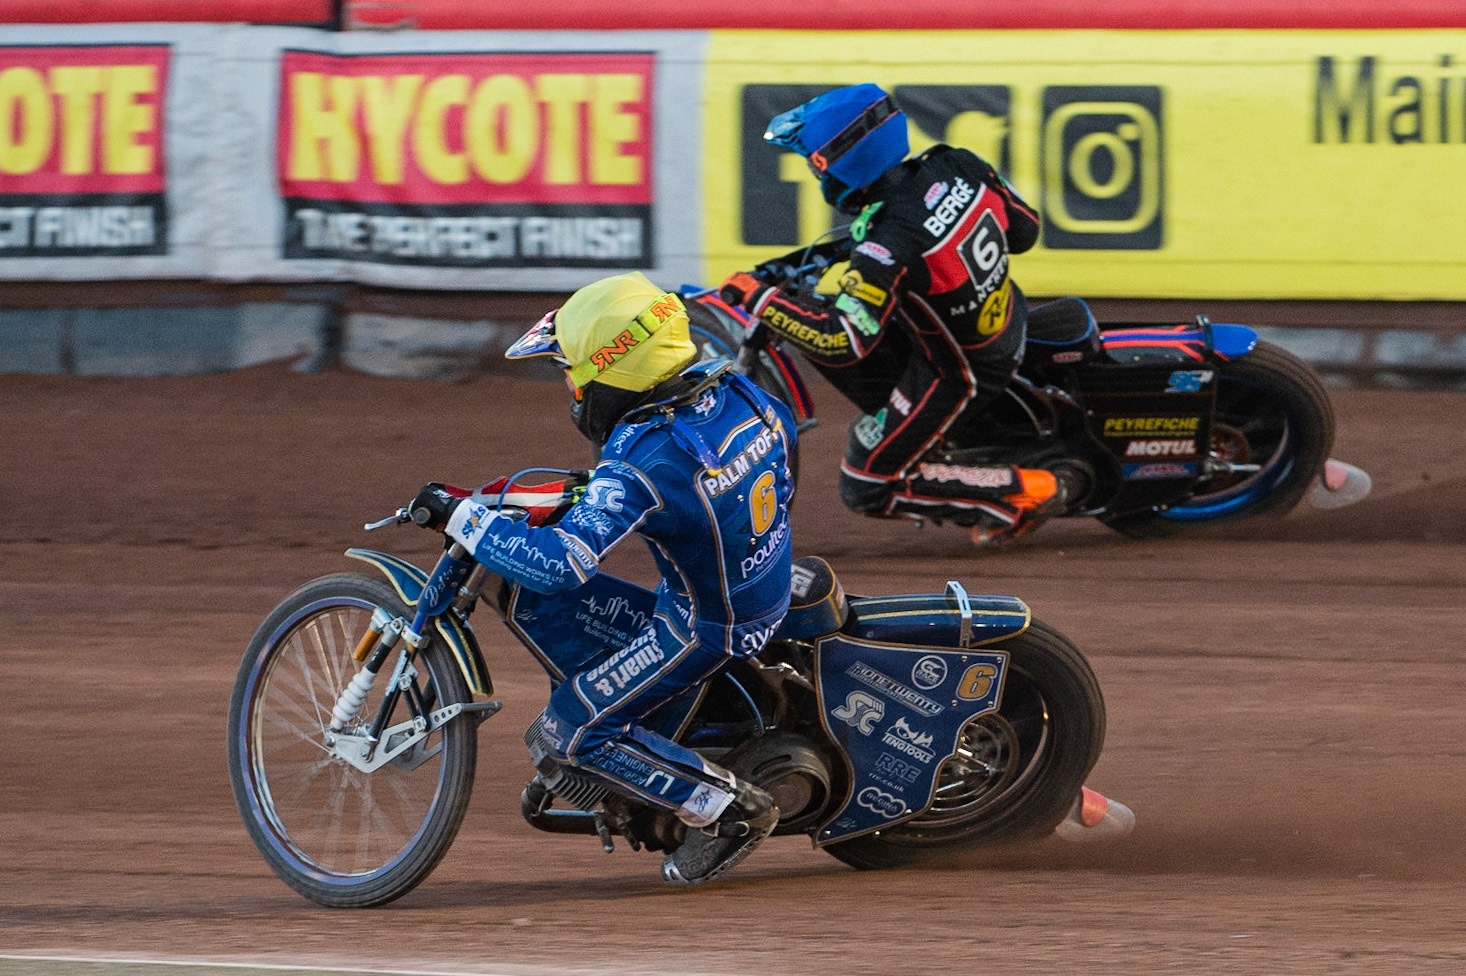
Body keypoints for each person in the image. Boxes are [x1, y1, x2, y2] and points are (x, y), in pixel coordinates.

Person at [407, 271, 794, 886]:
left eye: (573, 370)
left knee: (571, 730)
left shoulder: (644, 458)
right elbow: (772, 452)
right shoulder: (740, 394)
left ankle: (728, 812)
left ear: (613, 372)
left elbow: (560, 565)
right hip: (765, 575)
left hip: (706, 625)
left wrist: (462, 516)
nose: (570, 385)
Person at [720, 83, 1065, 548]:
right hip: (1006, 316)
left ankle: (1023, 491)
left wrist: (757, 297)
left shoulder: (887, 244)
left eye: (812, 162)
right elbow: (1025, 230)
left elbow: (842, 341)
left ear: (839, 164)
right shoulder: (956, 162)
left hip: (959, 371)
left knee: (865, 484)